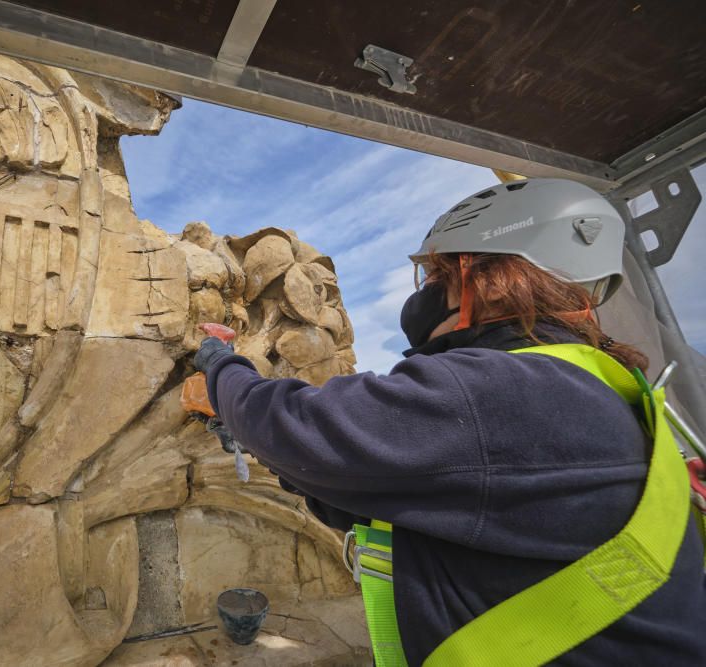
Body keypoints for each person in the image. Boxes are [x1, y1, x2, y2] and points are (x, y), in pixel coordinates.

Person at [193, 178, 706, 666]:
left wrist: (219, 366)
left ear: (490, 279)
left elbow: (294, 426)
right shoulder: (598, 385)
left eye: (440, 276)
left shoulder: (495, 389)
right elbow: (410, 490)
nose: (427, 293)